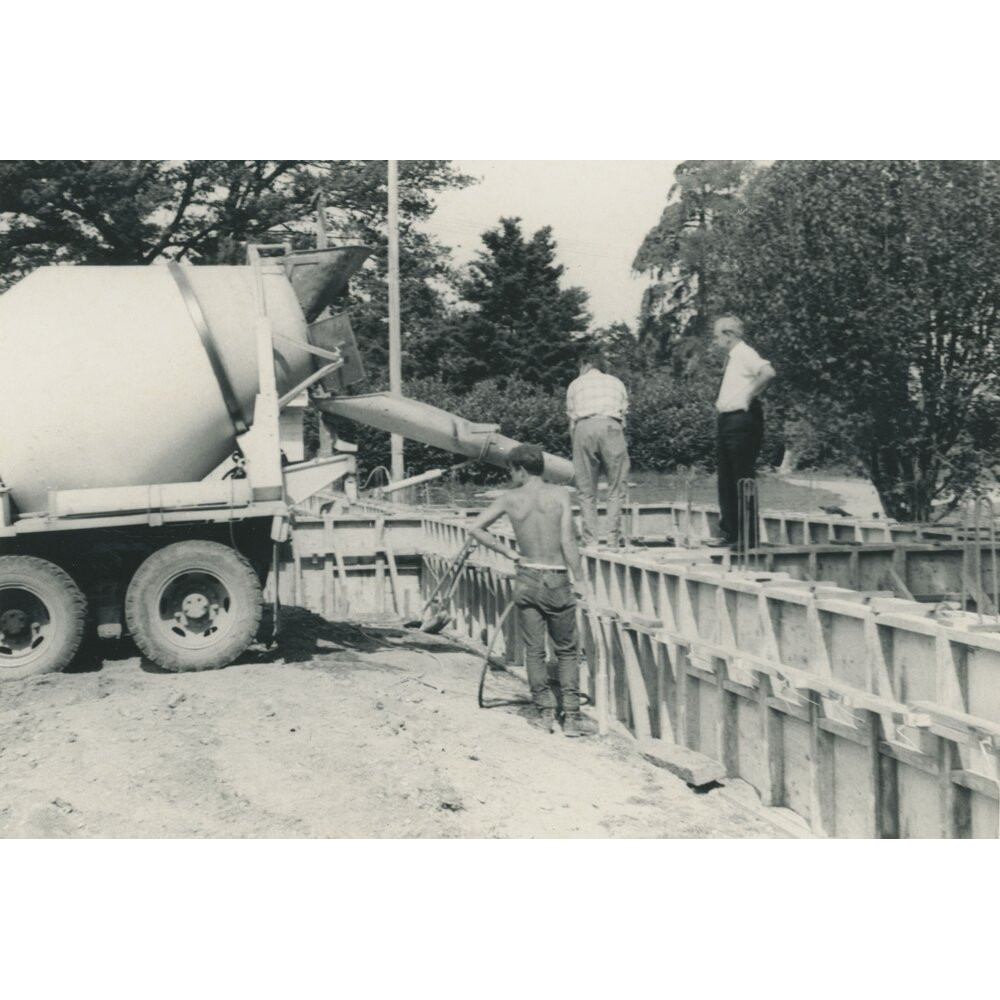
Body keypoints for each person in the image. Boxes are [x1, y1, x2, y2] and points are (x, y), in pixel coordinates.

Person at [468, 443, 592, 737]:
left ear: (521, 471)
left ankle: (545, 713)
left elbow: (475, 528)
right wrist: (580, 578)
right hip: (557, 577)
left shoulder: (510, 498)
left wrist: (508, 553)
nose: (510, 477)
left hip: (526, 577)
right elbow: (568, 542)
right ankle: (572, 718)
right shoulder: (560, 494)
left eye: (511, 471)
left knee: (534, 652)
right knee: (566, 652)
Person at [709, 315, 776, 549]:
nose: (715, 341)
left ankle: (748, 537)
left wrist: (750, 395)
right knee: (726, 478)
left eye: (717, 336)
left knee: (741, 477)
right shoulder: (733, 358)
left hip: (741, 420)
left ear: (729, 335)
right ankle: (731, 532)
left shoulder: (745, 352)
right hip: (727, 420)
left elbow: (768, 373)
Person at [566, 351, 630, 548]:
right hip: (611, 426)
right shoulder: (616, 382)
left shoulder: (575, 384)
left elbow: (571, 422)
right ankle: (612, 540)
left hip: (584, 427)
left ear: (586, 364)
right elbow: (624, 417)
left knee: (585, 490)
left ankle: (590, 540)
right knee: (616, 487)